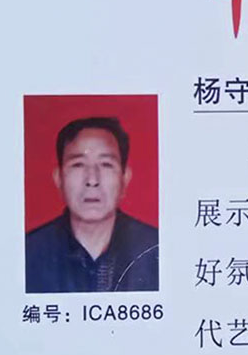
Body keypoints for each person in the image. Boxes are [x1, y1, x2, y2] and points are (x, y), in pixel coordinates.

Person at [25, 116, 159, 293]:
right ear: (59, 179)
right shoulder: (28, 253)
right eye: (78, 164)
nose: (92, 180)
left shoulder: (156, 249)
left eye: (106, 164)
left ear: (124, 179)